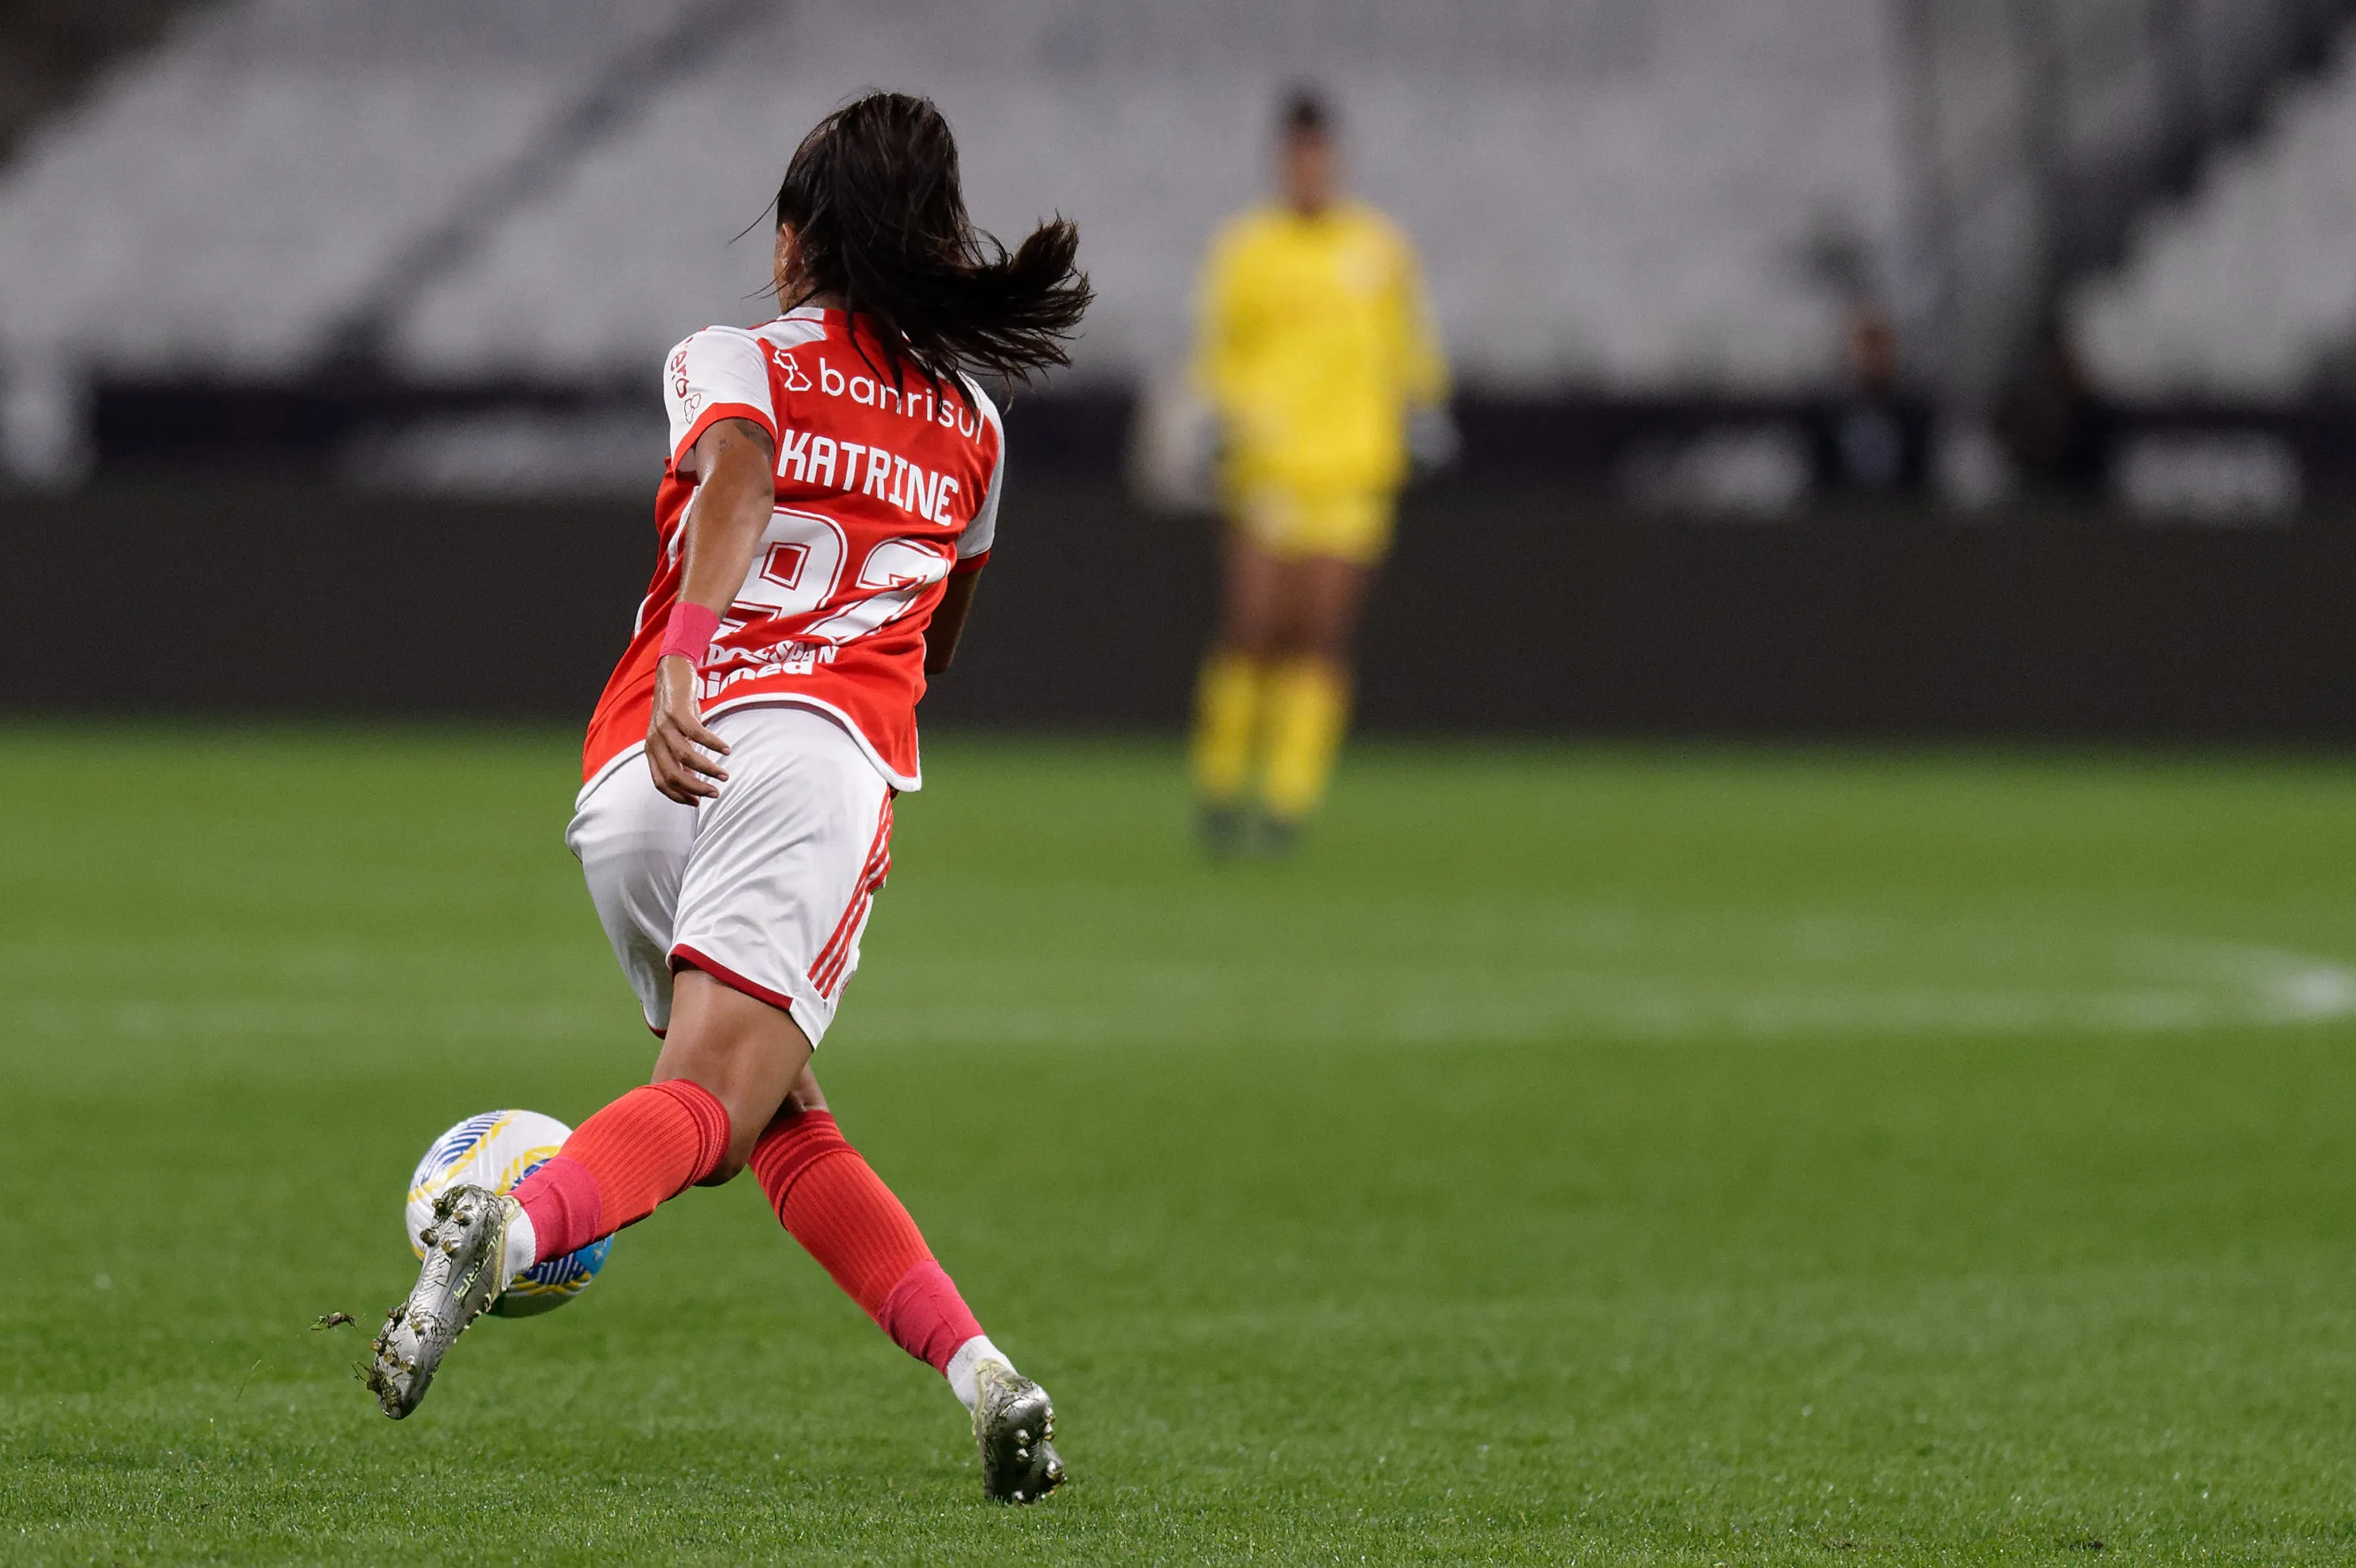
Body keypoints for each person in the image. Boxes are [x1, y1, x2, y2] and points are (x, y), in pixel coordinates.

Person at [364, 91, 1092, 1506]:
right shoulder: (975, 428)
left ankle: (985, 1376)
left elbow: (739, 471)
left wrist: (690, 666)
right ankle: (510, 1232)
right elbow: (933, 637)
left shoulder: (730, 354)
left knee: (766, 1114)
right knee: (707, 1099)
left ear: (795, 241)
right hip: (803, 760)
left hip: (642, 773)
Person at [1187, 87, 1450, 854]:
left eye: (1317, 157)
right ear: (1282, 163)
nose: (1307, 170)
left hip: (1352, 470)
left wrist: (1423, 412)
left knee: (1320, 636)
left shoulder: (1379, 249)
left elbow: (1410, 349)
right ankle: (1219, 785)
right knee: (1251, 629)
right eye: (1296, 158)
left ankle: (1286, 801)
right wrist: (1220, 422)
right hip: (1267, 466)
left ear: (1333, 161)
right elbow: (1219, 352)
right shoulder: (1245, 249)